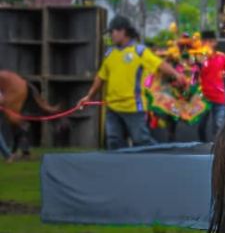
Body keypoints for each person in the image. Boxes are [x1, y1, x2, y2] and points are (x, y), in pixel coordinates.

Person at [78, 15, 183, 150]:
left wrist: (176, 74)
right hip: (113, 108)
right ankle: (118, 169)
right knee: (113, 142)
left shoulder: (139, 51)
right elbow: (100, 77)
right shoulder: (110, 54)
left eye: (113, 31)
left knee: (141, 141)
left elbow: (159, 64)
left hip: (134, 107)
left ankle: (160, 162)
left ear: (123, 31)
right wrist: (89, 96)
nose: (112, 35)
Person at [198, 30, 225, 142]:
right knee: (201, 124)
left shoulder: (222, 57)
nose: (208, 43)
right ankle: (201, 146)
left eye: (210, 41)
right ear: (201, 42)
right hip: (202, 97)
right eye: (205, 41)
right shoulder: (197, 58)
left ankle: (218, 148)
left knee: (218, 125)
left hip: (218, 96)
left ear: (215, 42)